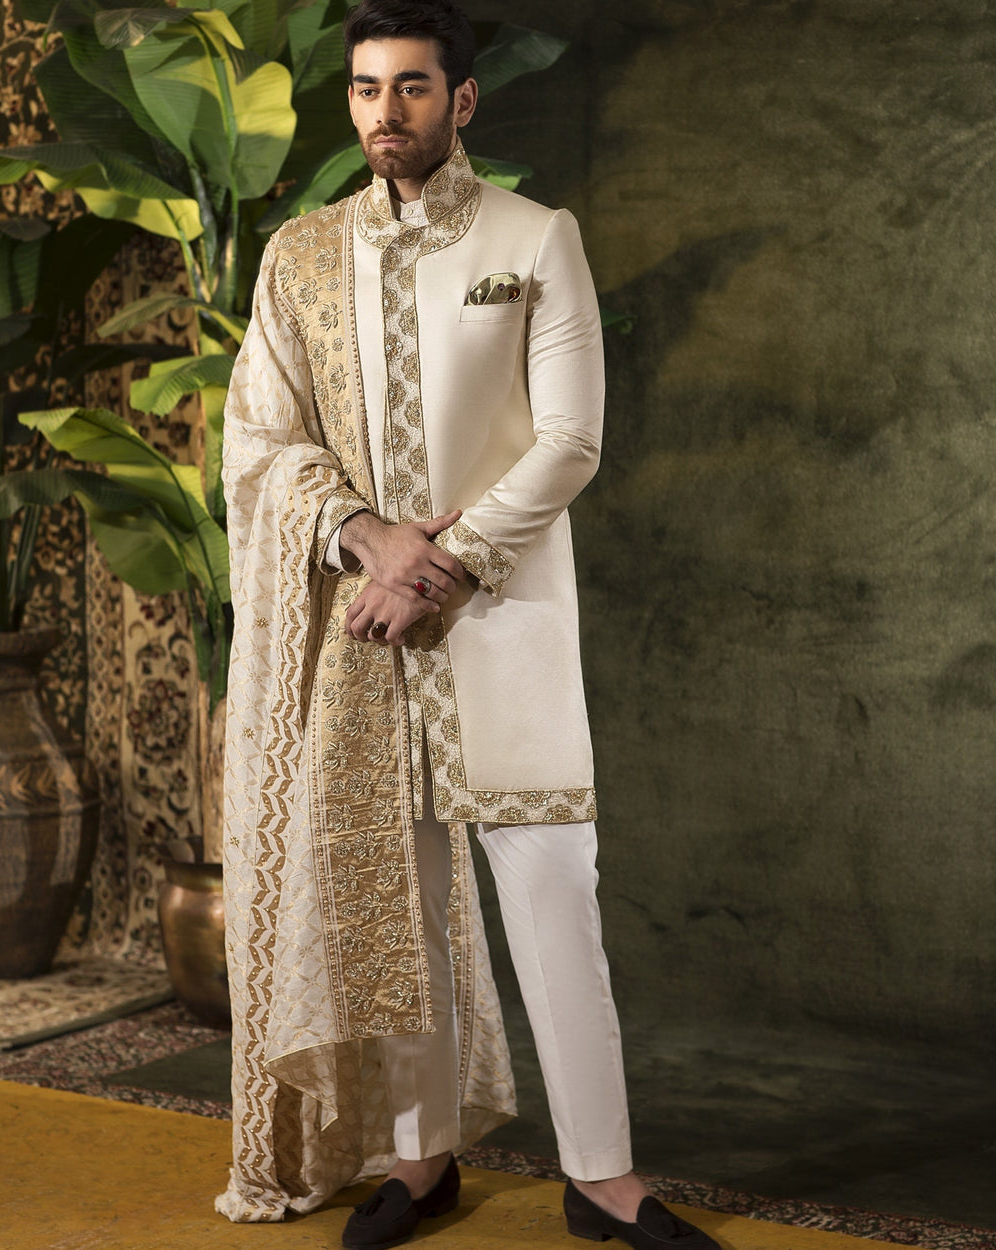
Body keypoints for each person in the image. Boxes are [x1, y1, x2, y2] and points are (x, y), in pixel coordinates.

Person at [217, 2, 719, 1248]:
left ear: (464, 101)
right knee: (404, 904)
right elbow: (261, 441)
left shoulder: (535, 237)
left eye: (413, 89)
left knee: (554, 893)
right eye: (366, 89)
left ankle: (603, 1178)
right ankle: (422, 1158)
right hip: (360, 640)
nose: (386, 113)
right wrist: (366, 539)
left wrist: (436, 563)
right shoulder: (299, 257)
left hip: (503, 631)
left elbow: (570, 440)